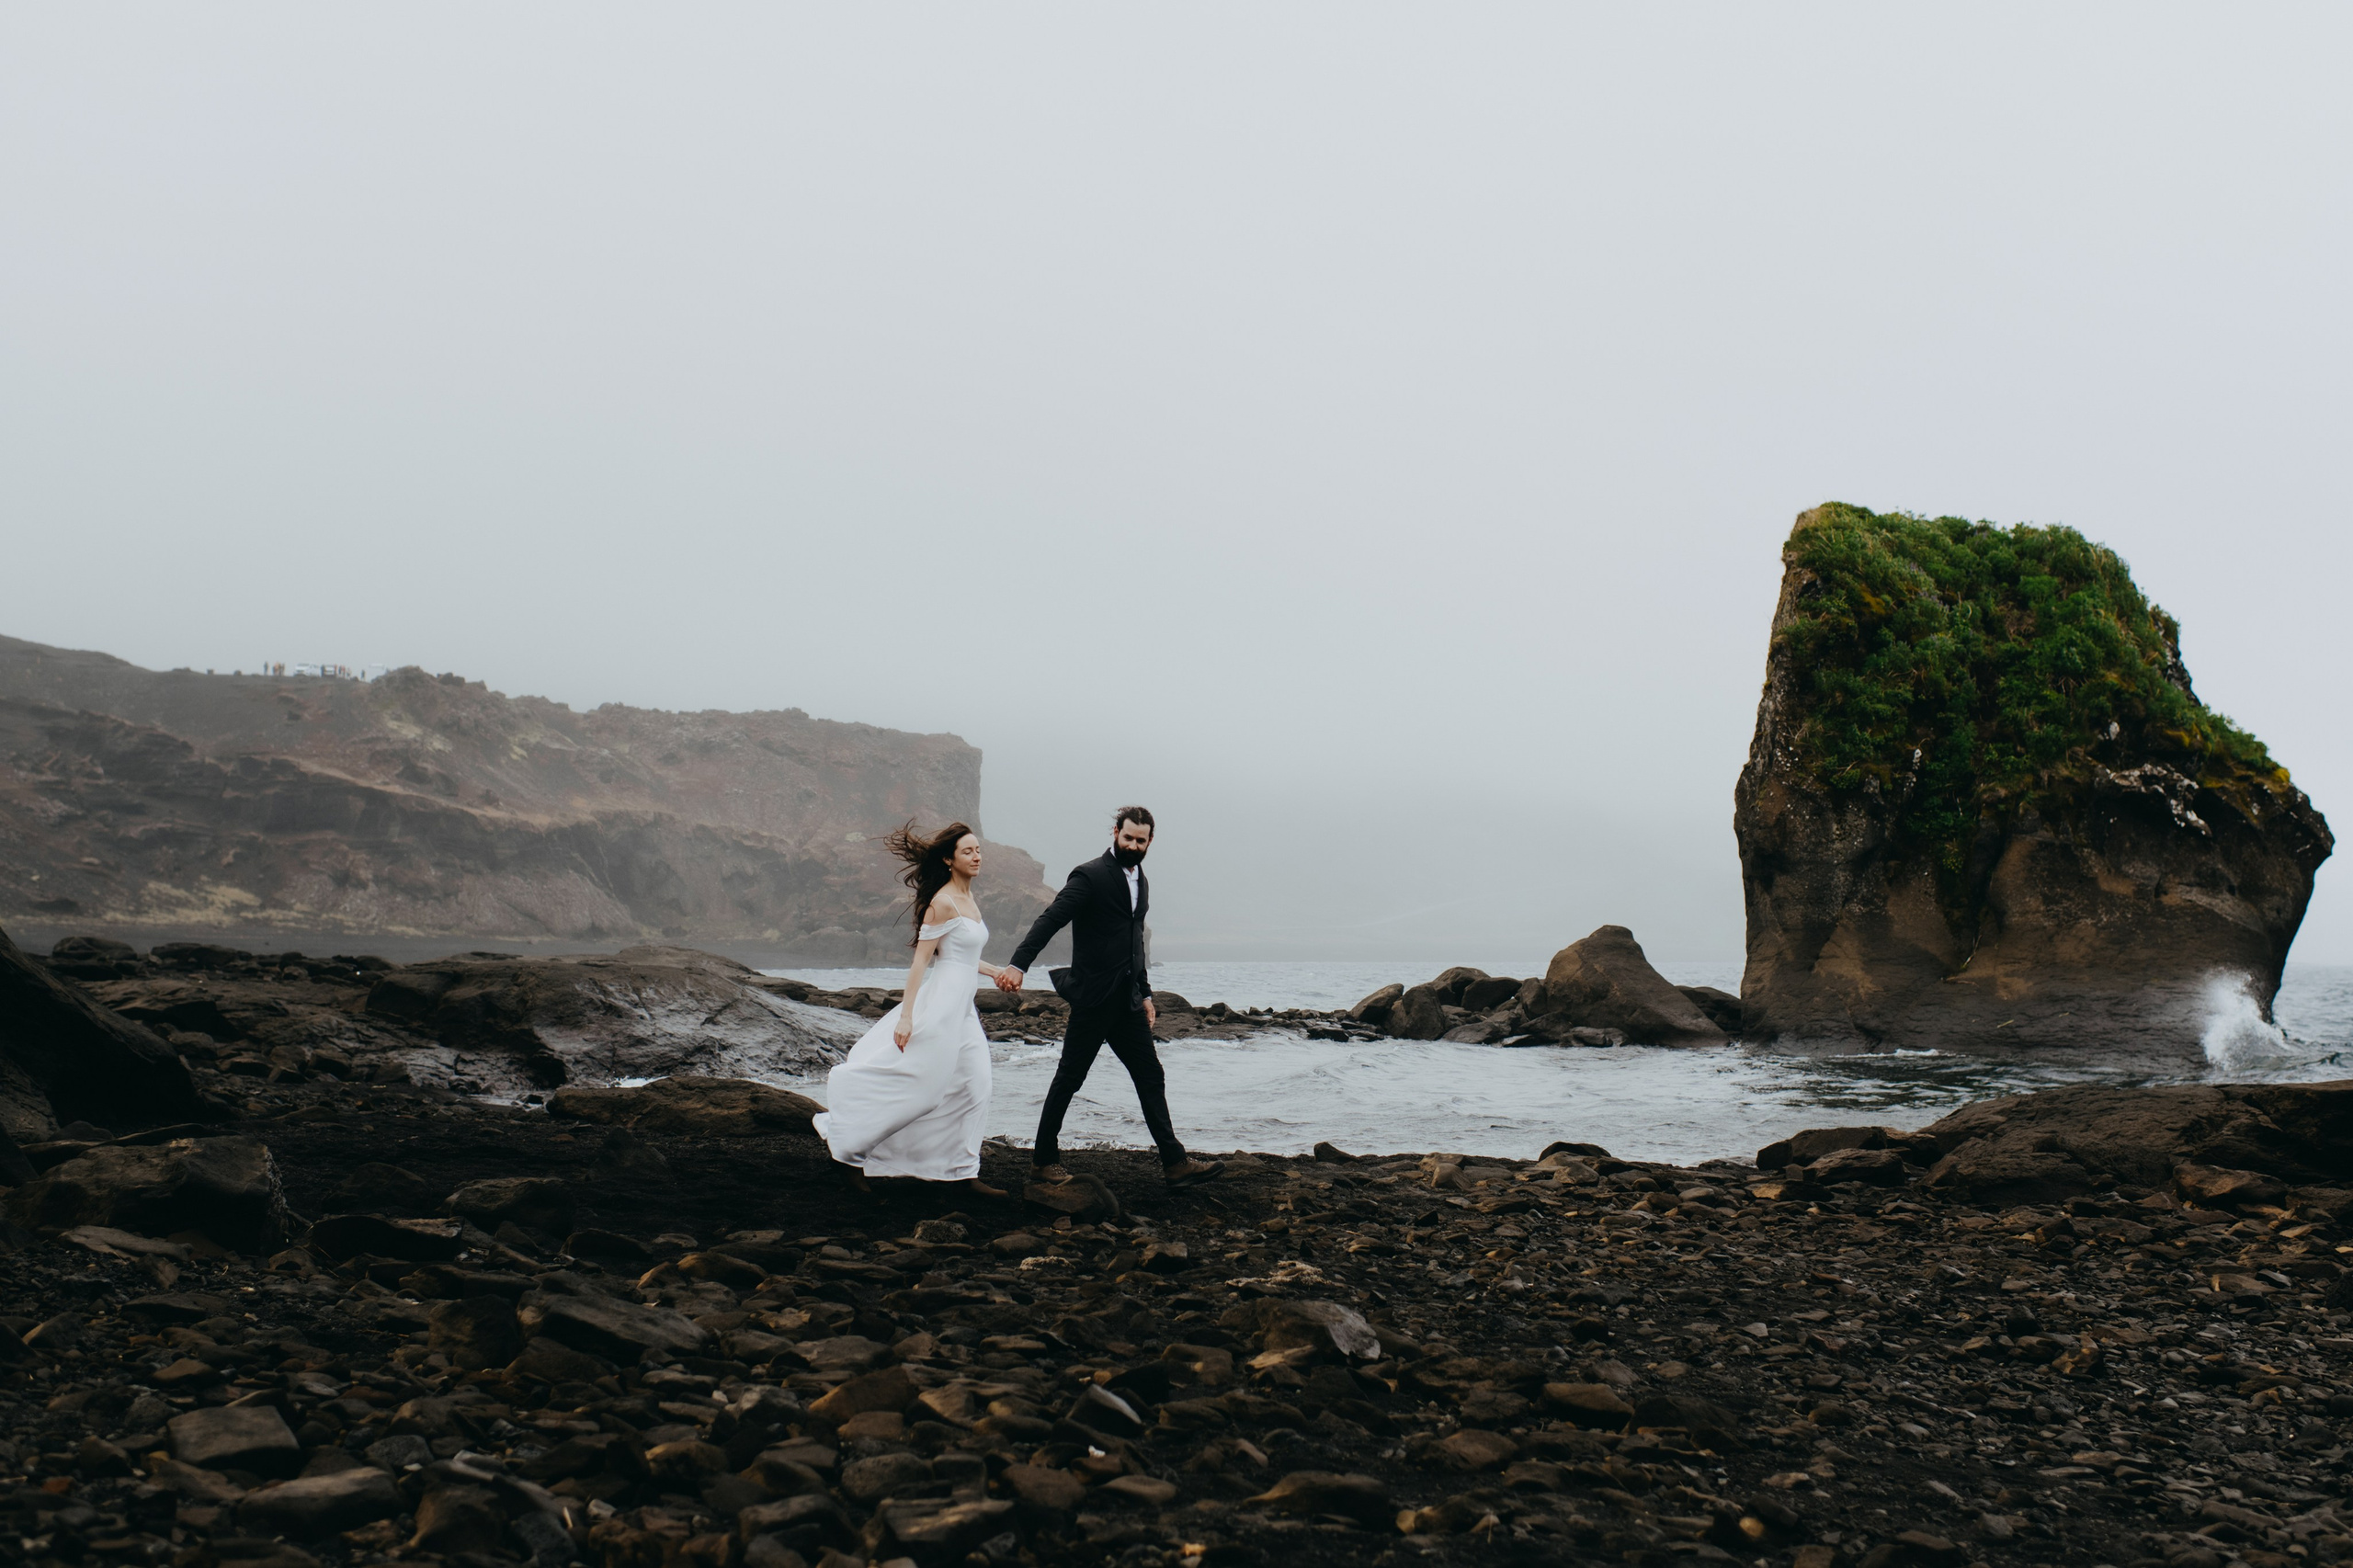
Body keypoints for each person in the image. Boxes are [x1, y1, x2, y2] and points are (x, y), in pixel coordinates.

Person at [995, 806, 1223, 1189]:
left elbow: (1135, 943)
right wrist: (1019, 964)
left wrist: (1145, 993)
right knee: (1070, 1077)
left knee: (1150, 1075)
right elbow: (1051, 919)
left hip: (1127, 1002)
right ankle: (1042, 1162)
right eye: (1127, 837)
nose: (1133, 845)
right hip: (1094, 997)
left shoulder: (1142, 881)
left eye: (1141, 840)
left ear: (1151, 841)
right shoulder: (1090, 875)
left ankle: (1175, 1163)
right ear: (1115, 833)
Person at [812, 821, 1006, 1196]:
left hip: (964, 1011)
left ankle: (962, 1171)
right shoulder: (943, 902)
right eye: (968, 851)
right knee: (927, 1092)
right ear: (949, 860)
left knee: (975, 1086)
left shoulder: (969, 899)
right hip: (941, 1007)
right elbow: (923, 962)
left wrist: (993, 970)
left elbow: (962, 956)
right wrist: (906, 1016)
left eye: (978, 849)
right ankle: (848, 1151)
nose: (977, 856)